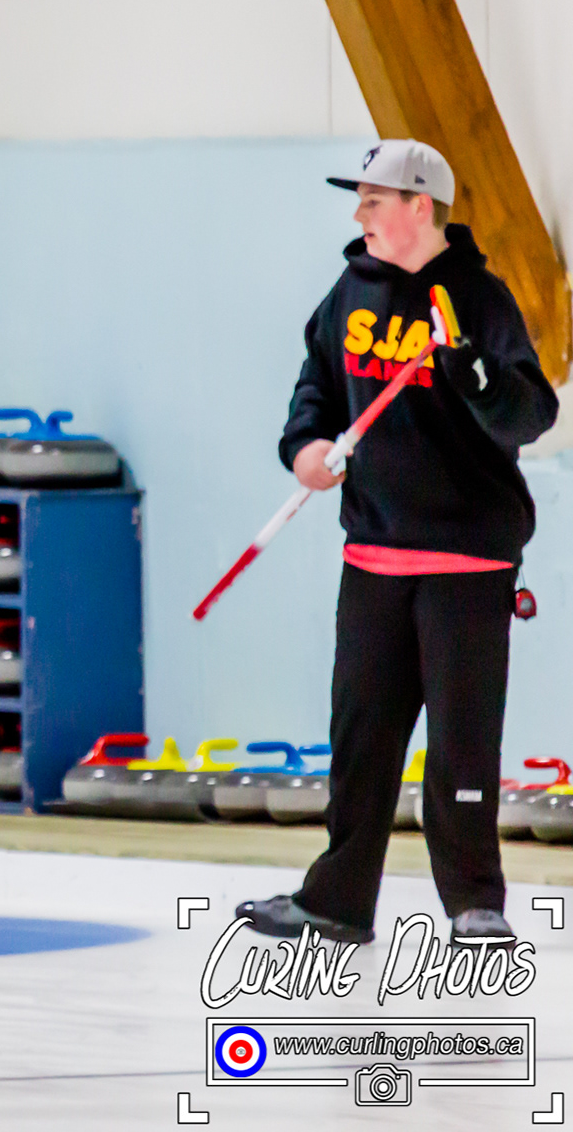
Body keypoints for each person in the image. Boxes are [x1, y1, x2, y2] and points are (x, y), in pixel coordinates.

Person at [238, 140, 558, 947]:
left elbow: (531, 413)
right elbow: (315, 387)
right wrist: (306, 450)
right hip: (373, 557)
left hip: (466, 562)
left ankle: (475, 904)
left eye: (374, 201)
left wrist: (473, 374)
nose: (359, 215)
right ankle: (337, 902)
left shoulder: (477, 298)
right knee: (362, 739)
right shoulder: (350, 292)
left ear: (421, 206)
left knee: (462, 744)